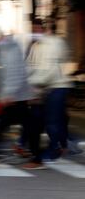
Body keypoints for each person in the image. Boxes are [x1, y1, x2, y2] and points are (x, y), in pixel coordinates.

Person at [25, 20, 73, 165]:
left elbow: (51, 69)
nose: (35, 33)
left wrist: (34, 84)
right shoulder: (35, 46)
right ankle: (62, 145)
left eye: (37, 30)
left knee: (51, 120)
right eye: (33, 30)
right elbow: (30, 66)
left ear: (44, 30)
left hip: (58, 85)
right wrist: (28, 83)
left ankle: (55, 148)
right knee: (55, 119)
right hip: (45, 87)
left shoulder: (53, 43)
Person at [0, 25, 33, 155]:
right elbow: (2, 74)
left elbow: (14, 73)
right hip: (14, 94)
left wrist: (8, 94)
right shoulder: (3, 48)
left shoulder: (10, 49)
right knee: (14, 121)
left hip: (17, 94)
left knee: (7, 121)